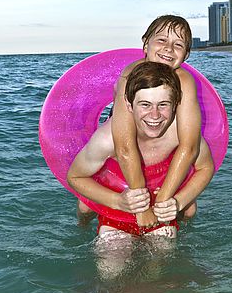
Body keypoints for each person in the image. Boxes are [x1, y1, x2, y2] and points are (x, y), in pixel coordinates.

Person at [77, 15, 202, 229]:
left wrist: (164, 199)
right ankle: (81, 226)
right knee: (85, 206)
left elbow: (189, 146)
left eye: (178, 44)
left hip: (158, 132)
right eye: (161, 40)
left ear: (186, 54)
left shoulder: (185, 82)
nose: (168, 49)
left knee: (189, 209)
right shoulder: (130, 76)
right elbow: (124, 145)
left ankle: (179, 230)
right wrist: (142, 209)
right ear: (146, 43)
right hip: (124, 133)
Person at [67, 61, 214, 243]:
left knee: (167, 248)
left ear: (176, 105)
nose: (154, 115)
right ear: (129, 106)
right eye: (145, 105)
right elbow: (74, 177)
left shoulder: (182, 134)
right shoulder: (107, 140)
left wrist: (179, 202)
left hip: (160, 192)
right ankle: (82, 224)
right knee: (110, 262)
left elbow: (205, 167)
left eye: (163, 105)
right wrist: (117, 201)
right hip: (119, 195)